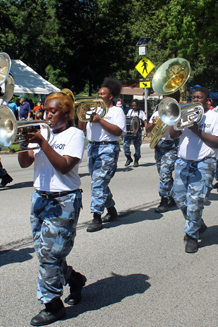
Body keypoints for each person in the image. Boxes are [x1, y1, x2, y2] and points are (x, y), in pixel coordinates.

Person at [17, 92, 86, 326]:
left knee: (50, 254)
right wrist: (24, 143)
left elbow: (65, 167)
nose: (48, 116)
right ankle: (74, 279)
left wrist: (42, 143)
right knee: (45, 252)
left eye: (53, 111)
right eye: (46, 111)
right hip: (40, 198)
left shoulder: (75, 134)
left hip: (63, 201)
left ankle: (53, 305)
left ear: (66, 113)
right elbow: (25, 162)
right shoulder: (42, 133)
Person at [169, 87, 218, 253]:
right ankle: (197, 223)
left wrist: (197, 131)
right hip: (183, 161)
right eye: (193, 97)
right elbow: (173, 135)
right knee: (178, 197)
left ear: (207, 100)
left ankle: (191, 236)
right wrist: (177, 119)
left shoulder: (215, 117)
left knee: (195, 200)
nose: (195, 100)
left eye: (199, 97)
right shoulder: (185, 114)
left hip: (204, 162)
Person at [79, 78, 126, 232]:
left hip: (108, 149)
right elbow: (82, 127)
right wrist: (82, 114)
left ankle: (96, 217)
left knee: (98, 182)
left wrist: (100, 120)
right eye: (98, 93)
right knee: (98, 181)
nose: (98, 96)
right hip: (92, 147)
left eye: (102, 94)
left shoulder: (116, 111)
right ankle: (111, 210)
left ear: (110, 96)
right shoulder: (95, 110)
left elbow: (118, 132)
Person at [146, 91, 180, 213]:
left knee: (165, 172)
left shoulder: (178, 112)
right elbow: (148, 129)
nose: (164, 102)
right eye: (163, 100)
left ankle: (163, 200)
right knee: (162, 173)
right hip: (159, 145)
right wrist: (153, 124)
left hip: (172, 145)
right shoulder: (157, 112)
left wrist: (171, 119)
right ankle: (171, 196)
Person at [123, 99, 147, 167]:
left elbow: (145, 121)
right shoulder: (130, 111)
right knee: (125, 145)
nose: (134, 107)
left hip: (137, 131)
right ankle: (128, 158)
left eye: (135, 105)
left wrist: (146, 130)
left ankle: (136, 160)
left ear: (137, 105)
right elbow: (127, 119)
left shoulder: (141, 112)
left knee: (137, 147)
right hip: (130, 131)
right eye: (132, 105)